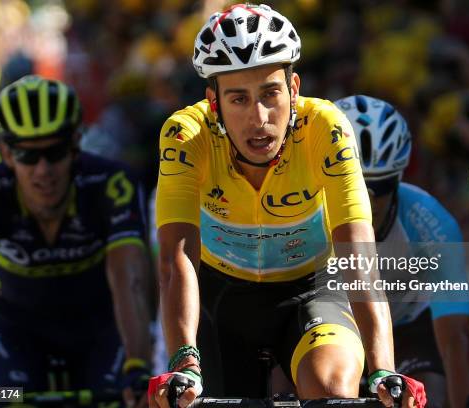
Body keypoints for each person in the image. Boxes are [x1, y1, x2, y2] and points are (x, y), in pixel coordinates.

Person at [149, 4, 426, 408]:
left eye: (270, 94)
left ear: (293, 89)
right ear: (214, 103)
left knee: (331, 392)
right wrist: (184, 360)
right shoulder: (185, 136)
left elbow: (358, 255)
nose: (258, 118)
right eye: (239, 99)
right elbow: (177, 260)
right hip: (220, 299)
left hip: (311, 290)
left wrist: (383, 369)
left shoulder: (325, 129)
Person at [0, 75, 152, 407]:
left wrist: (139, 367)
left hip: (100, 329)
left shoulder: (112, 183)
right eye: (27, 156)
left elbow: (129, 281)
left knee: (128, 397)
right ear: (5, 152)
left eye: (55, 152)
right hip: (14, 331)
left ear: (75, 143)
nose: (43, 170)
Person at [335, 94, 469, 407]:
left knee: (431, 395)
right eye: (354, 186)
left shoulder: (431, 222)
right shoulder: (298, 214)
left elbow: (457, 343)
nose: (369, 203)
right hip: (329, 329)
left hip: (407, 330)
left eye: (382, 188)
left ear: (399, 178)